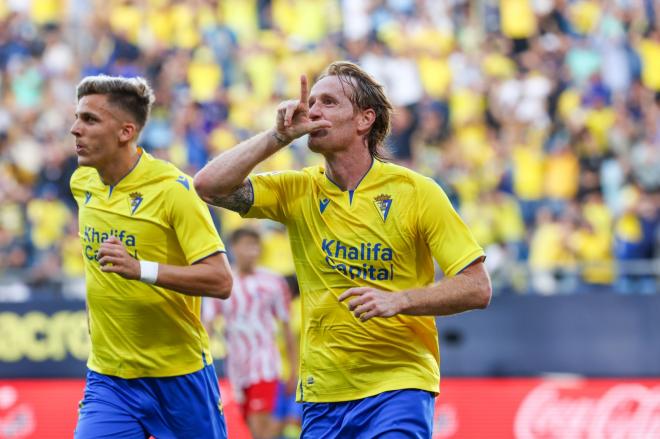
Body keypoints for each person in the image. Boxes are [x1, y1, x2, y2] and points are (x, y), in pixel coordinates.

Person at [194, 61, 492, 438]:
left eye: (329, 103)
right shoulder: (297, 189)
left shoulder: (417, 191)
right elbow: (207, 186)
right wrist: (277, 136)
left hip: (397, 384)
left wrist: (399, 300)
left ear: (364, 119)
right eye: (312, 102)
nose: (313, 110)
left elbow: (477, 286)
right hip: (323, 394)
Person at [69, 75, 233, 439]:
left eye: (89, 120)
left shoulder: (173, 191)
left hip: (178, 375)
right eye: (77, 118)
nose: (75, 129)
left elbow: (221, 281)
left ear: (125, 132)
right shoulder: (82, 183)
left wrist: (139, 268)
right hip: (110, 379)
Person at [203, 226, 297, 439]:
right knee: (249, 427)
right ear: (233, 248)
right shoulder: (223, 282)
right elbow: (208, 325)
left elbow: (286, 327)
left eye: (255, 245)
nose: (251, 251)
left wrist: (293, 369)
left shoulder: (273, 282)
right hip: (235, 368)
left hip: (265, 365)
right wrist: (204, 364)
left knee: (259, 428)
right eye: (246, 245)